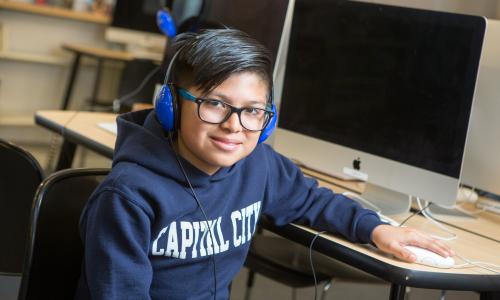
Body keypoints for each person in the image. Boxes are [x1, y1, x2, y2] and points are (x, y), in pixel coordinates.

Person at [75, 29, 453, 300]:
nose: (233, 125)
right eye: (215, 103)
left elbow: (312, 201)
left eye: (253, 111)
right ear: (170, 105)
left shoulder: (259, 165)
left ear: (267, 119)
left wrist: (375, 229)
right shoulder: (128, 196)